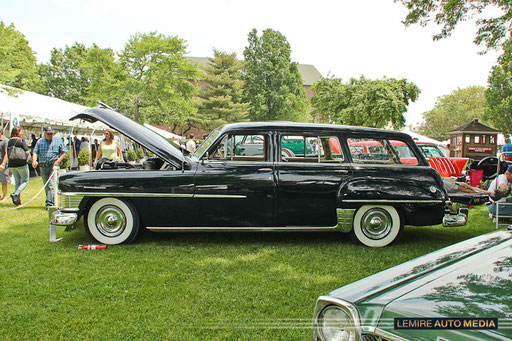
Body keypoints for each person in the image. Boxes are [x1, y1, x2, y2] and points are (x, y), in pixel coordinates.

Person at [32, 126, 68, 208]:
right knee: (46, 185)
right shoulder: (40, 141)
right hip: (43, 166)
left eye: (51, 134)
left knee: (52, 185)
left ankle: (49, 203)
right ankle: (51, 201)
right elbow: (35, 152)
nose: (50, 135)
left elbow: (64, 151)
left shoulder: (58, 140)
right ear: (44, 133)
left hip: (53, 166)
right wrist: (34, 160)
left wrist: (58, 160)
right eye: (48, 134)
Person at [1, 126, 30, 206]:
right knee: (25, 181)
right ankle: (15, 194)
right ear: (17, 132)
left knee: (17, 181)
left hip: (12, 164)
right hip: (21, 164)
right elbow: (27, 152)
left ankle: (17, 200)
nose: (22, 133)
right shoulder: (21, 141)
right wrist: (29, 159)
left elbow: (7, 153)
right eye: (21, 131)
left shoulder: (9, 141)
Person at [0, 128, 9, 202]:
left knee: (4, 180)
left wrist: (3, 164)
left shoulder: (5, 140)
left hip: (2, 163)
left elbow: (7, 153)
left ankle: (5, 196)